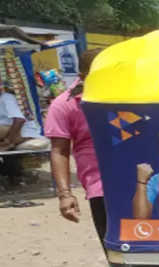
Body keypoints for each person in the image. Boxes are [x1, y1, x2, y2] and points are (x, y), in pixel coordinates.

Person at [44, 48, 106, 250]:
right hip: (100, 187)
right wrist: (65, 194)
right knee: (115, 249)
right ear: (83, 76)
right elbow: (59, 151)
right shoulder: (64, 105)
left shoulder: (129, 96)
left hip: (143, 181)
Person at [0, 82, 47, 152]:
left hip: (23, 131)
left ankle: (7, 145)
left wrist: (8, 141)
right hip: (10, 129)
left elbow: (20, 120)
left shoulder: (6, 98)